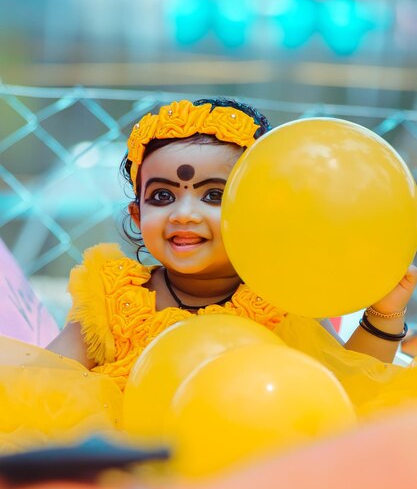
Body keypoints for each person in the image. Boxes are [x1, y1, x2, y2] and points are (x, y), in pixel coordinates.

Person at [47, 97, 417, 395]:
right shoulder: (111, 300)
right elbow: (43, 381)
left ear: (258, 208)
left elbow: (353, 387)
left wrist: (385, 312)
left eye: (213, 195)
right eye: (162, 196)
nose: (184, 215)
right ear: (137, 214)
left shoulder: (282, 300)